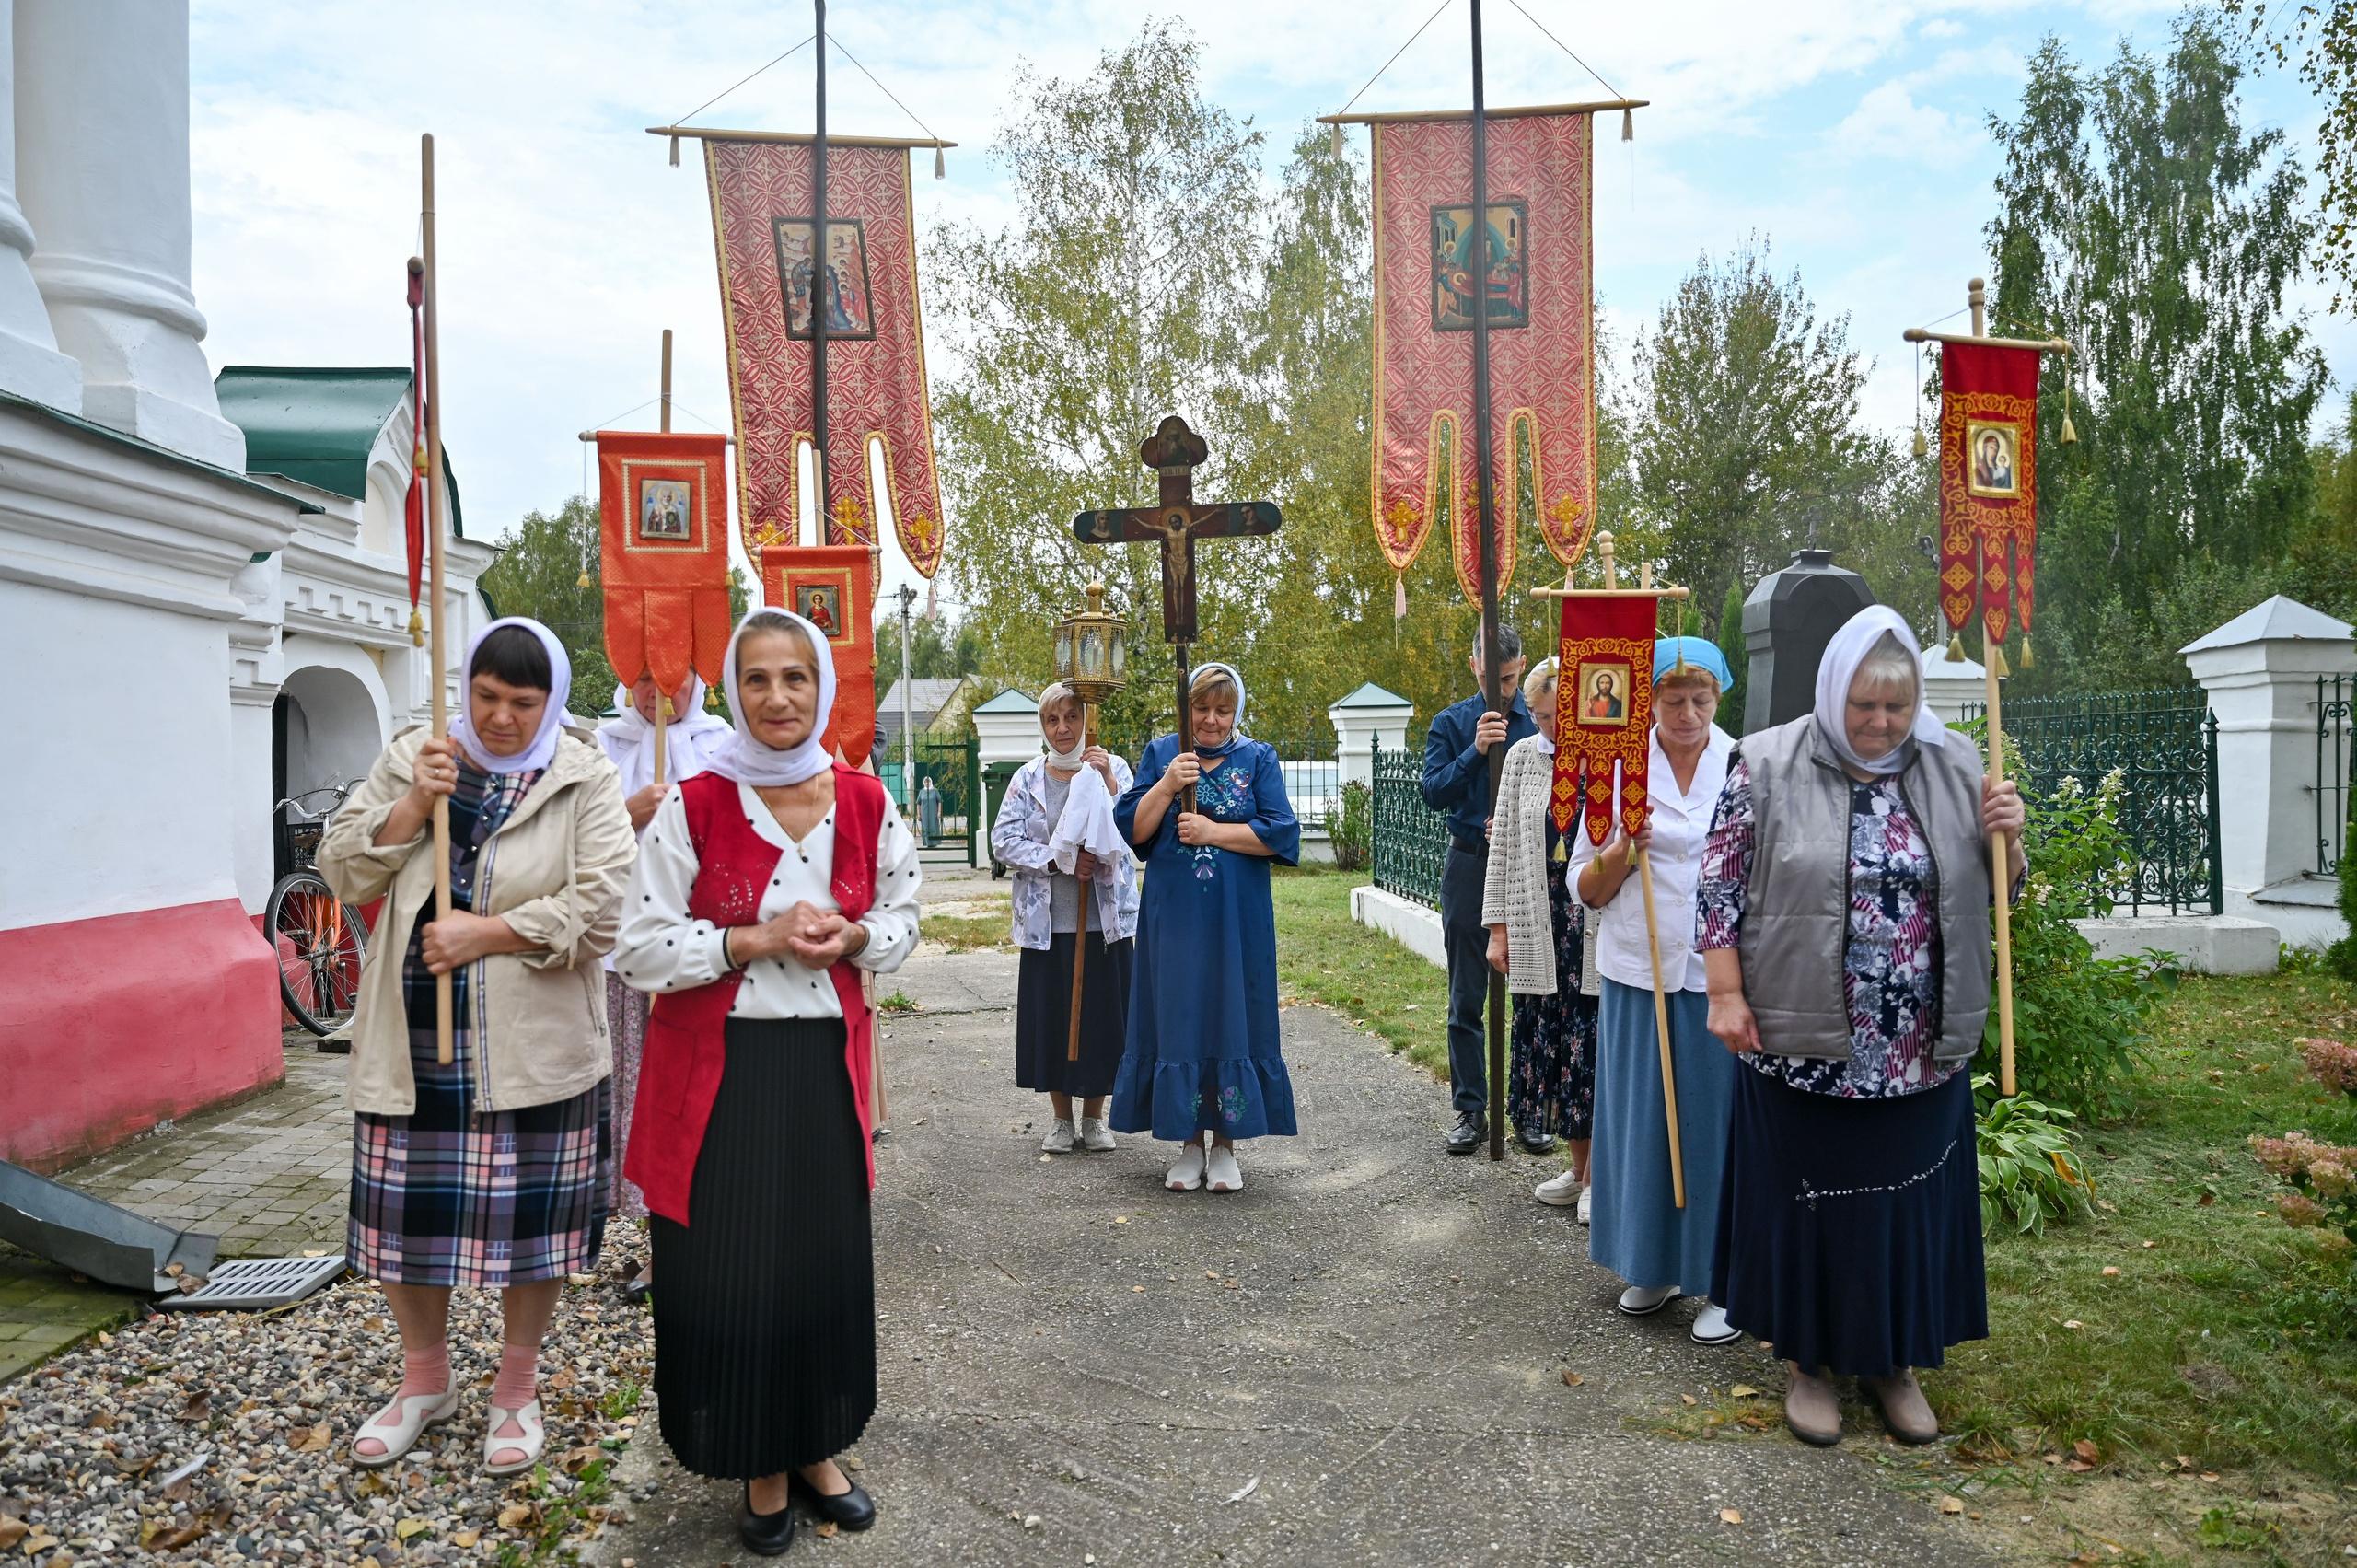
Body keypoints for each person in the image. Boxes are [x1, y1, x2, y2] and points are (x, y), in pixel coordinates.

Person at [615, 608, 919, 1554]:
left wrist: (857, 934)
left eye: (796, 676)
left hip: (823, 1077)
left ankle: (818, 1445)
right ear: (734, 691)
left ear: (821, 686)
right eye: (757, 678)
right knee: (735, 1273)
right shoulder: (694, 803)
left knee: (820, 1265)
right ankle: (759, 1459)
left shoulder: (865, 801)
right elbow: (637, 947)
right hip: (722, 1080)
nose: (778, 696)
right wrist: (747, 938)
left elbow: (906, 918)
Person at [317, 618, 634, 1476]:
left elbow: (605, 905)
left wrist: (488, 933)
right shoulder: (420, 752)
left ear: (552, 701)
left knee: (532, 1228)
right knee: (405, 1221)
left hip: (536, 1043)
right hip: (412, 1035)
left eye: (522, 703)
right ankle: (425, 1380)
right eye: (486, 697)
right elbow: (342, 868)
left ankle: (515, 1388)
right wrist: (415, 800)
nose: (498, 718)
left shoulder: (583, 775)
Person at [1701, 607, 2024, 1446]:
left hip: (1918, 1040)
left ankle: (1894, 1362)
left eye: (1897, 705)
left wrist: (2010, 843)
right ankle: (1809, 1362)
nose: (1881, 723)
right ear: (1834, 690)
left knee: (1901, 1203)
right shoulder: (1765, 762)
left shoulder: (1956, 764)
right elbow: (1719, 892)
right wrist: (1725, 993)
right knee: (1812, 1202)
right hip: (1803, 1037)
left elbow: (1996, 894)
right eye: (1864, 705)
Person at [1573, 637, 1742, 1346]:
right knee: (1643, 1119)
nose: (1688, 713)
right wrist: (1618, 851)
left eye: (1701, 699)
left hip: (1714, 970)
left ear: (1717, 698)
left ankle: (1721, 1279)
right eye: (1673, 700)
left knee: (1710, 1122)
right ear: (1647, 701)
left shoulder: (1742, 765)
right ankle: (1651, 1262)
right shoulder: (1617, 767)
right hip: (1638, 967)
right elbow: (1585, 888)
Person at [1109, 662, 1300, 1193]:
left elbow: (1282, 837)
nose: (1211, 720)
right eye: (1201, 709)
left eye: (1222, 710)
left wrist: (1215, 831)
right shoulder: (1161, 754)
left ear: (1237, 710)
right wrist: (1169, 784)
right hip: (1175, 920)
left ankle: (1225, 1148)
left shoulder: (1258, 759)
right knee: (1181, 1016)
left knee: (1229, 1015)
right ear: (1186, 708)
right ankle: (1189, 1144)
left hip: (1237, 923)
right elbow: (1136, 831)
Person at [595, 672, 733, 1290]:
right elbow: (577, 839)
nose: (658, 694)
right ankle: (649, 1232)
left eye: (672, 680)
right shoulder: (604, 746)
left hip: (695, 956)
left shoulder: (720, 744)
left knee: (691, 1094)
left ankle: (698, 1234)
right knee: (636, 1096)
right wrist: (627, 814)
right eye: (645, 680)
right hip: (626, 953)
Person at [990, 683, 1138, 1154]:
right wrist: (1057, 859)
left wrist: (1111, 789)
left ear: (1086, 720)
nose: (1063, 729)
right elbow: (1003, 840)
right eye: (1053, 720)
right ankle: (1060, 1118)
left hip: (1103, 921)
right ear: (1043, 725)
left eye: (1072, 717)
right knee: (1053, 1019)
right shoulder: (1028, 778)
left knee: (1099, 1021)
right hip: (1048, 926)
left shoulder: (1111, 768)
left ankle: (1094, 1118)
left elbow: (1135, 829)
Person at [1479, 658, 1599, 1217]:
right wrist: (1498, 929)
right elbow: (1502, 846)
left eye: (1559, 714)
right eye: (1541, 715)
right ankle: (1578, 1171)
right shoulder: (1524, 759)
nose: (1551, 725)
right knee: (1551, 1048)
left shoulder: (1604, 753)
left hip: (1590, 924)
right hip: (1537, 921)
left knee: (1591, 1048)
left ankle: (1602, 1178)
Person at [1422, 628, 1538, 1155]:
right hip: (1470, 863)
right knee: (1467, 994)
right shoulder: (1451, 723)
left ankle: (1529, 1110)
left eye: (1512, 680)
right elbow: (1433, 792)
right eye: (1495, 679)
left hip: (1529, 868)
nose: (1504, 691)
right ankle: (1471, 1110)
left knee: (1532, 990)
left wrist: (1517, 823)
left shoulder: (1538, 719)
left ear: (1521, 667)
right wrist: (1475, 751)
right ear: (1474, 666)